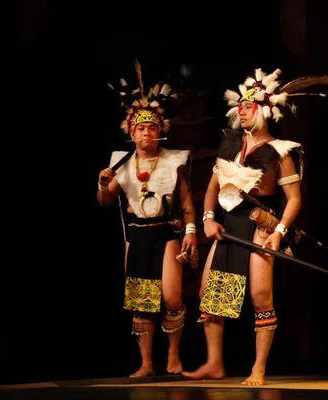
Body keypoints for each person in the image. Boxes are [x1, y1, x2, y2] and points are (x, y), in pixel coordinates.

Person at [182, 67, 328, 385]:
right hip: (228, 223)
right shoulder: (229, 145)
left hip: (260, 223)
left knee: (260, 295)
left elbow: (294, 199)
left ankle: (258, 367)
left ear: (264, 111)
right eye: (239, 107)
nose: (241, 111)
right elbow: (213, 189)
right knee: (210, 294)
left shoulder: (279, 151)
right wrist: (208, 219)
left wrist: (280, 232)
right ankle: (214, 363)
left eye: (248, 107)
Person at [97, 60, 198, 378]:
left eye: (152, 127)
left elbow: (185, 202)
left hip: (165, 234)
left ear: (160, 132)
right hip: (137, 236)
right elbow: (105, 201)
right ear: (132, 132)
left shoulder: (173, 162)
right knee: (142, 303)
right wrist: (102, 184)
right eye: (140, 128)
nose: (146, 132)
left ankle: (173, 354)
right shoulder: (122, 163)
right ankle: (145, 363)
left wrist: (191, 232)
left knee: (171, 297)